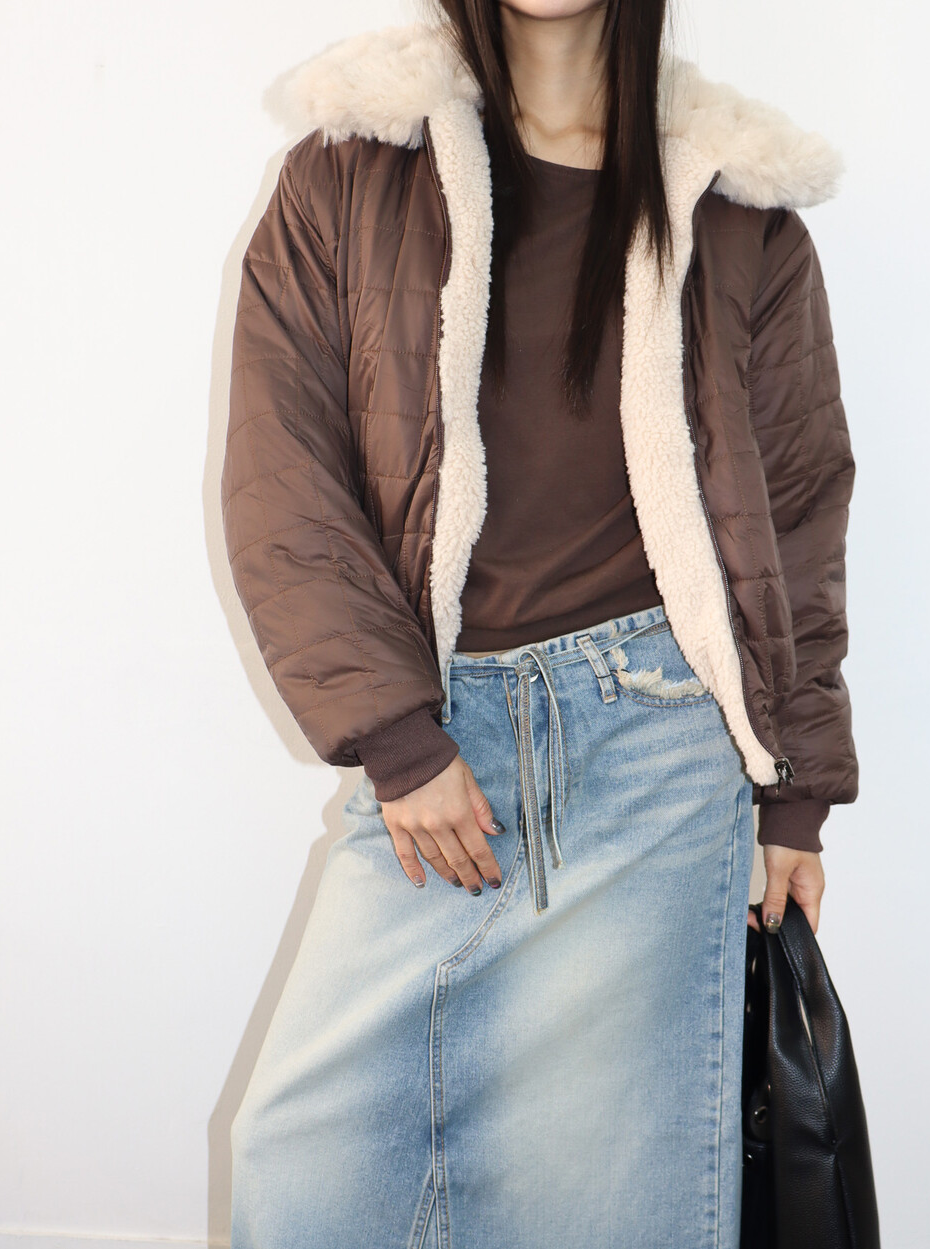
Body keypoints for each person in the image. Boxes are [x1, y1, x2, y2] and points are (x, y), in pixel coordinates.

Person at [219, 3, 858, 1246]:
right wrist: (397, 738)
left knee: (600, 1200)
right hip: (438, 748)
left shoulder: (737, 204)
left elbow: (799, 516)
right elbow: (282, 473)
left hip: (662, 751)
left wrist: (795, 796)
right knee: (303, 1157)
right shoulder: (352, 169)